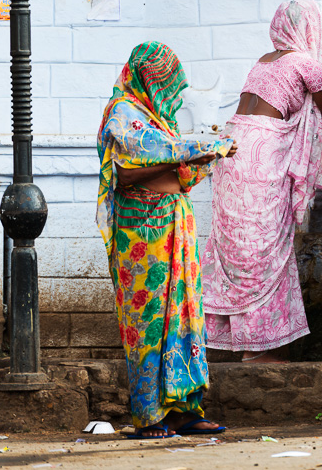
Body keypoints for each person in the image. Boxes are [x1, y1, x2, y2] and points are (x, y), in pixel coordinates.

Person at [97, 41, 235, 439]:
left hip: (175, 230)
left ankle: (184, 409)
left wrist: (196, 158)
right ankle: (149, 414)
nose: (170, 96)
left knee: (183, 318)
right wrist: (195, 150)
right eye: (166, 85)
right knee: (148, 324)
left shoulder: (156, 120)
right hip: (141, 236)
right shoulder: (123, 114)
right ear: (147, 78)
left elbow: (171, 166)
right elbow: (129, 170)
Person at [201, 1, 322, 363]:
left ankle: (232, 341)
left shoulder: (264, 60)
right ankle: (260, 349)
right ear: (309, 29)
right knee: (265, 247)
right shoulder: (306, 64)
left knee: (237, 243)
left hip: (233, 146)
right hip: (262, 151)